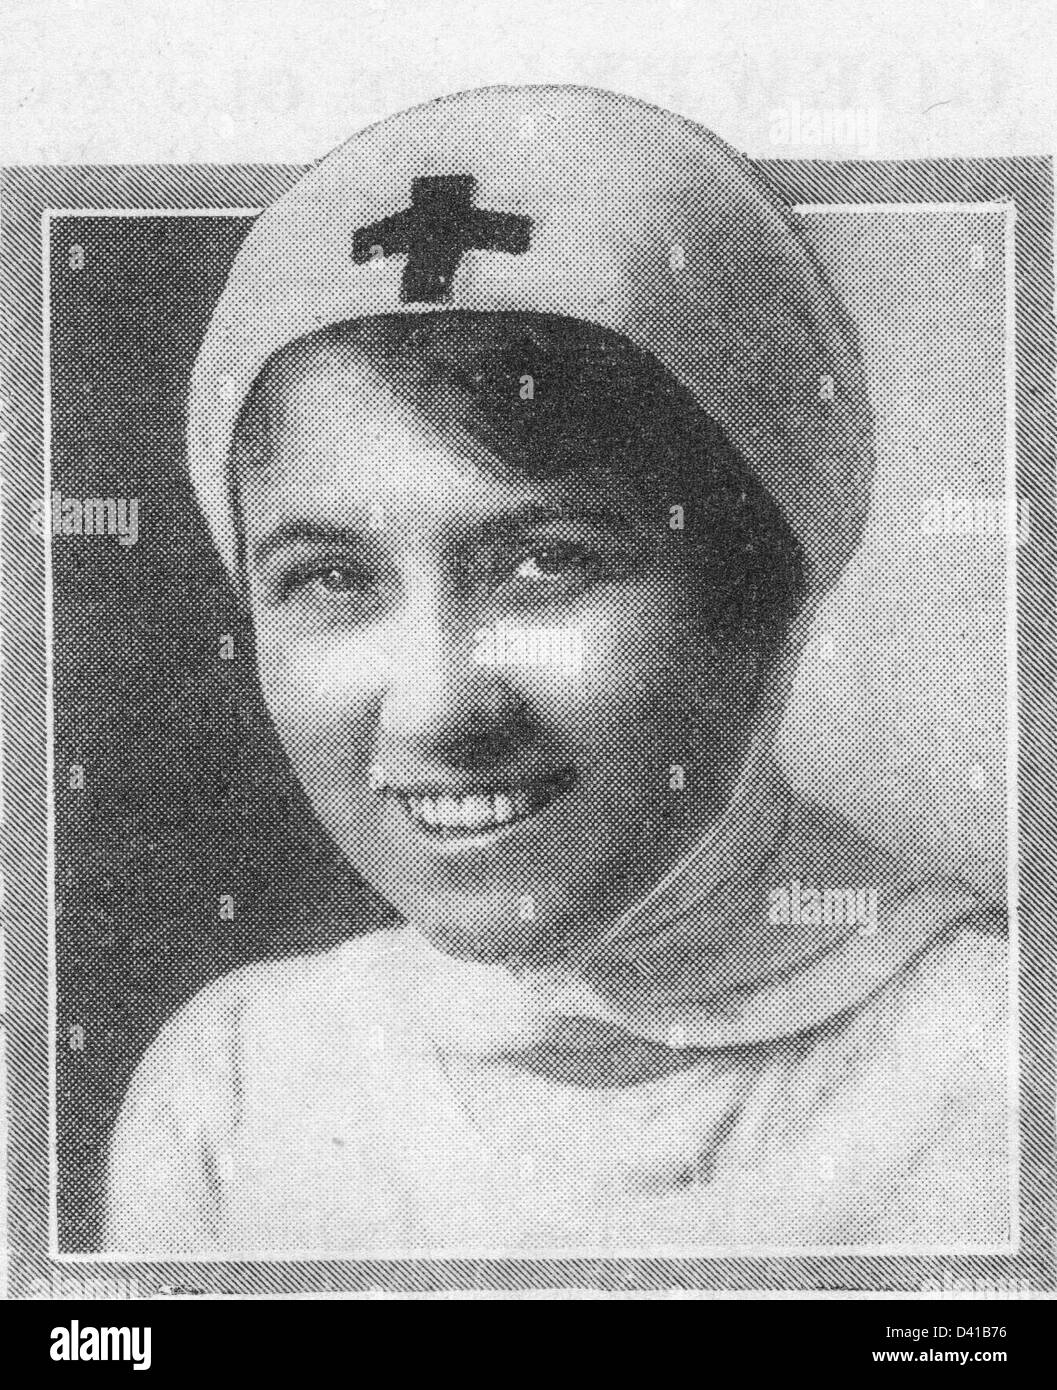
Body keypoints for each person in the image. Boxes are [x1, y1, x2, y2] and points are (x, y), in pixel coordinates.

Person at [103, 84, 1009, 1255]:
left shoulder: (997, 1062)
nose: (436, 708)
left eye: (545, 562)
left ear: (759, 595)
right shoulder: (232, 1091)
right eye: (332, 578)